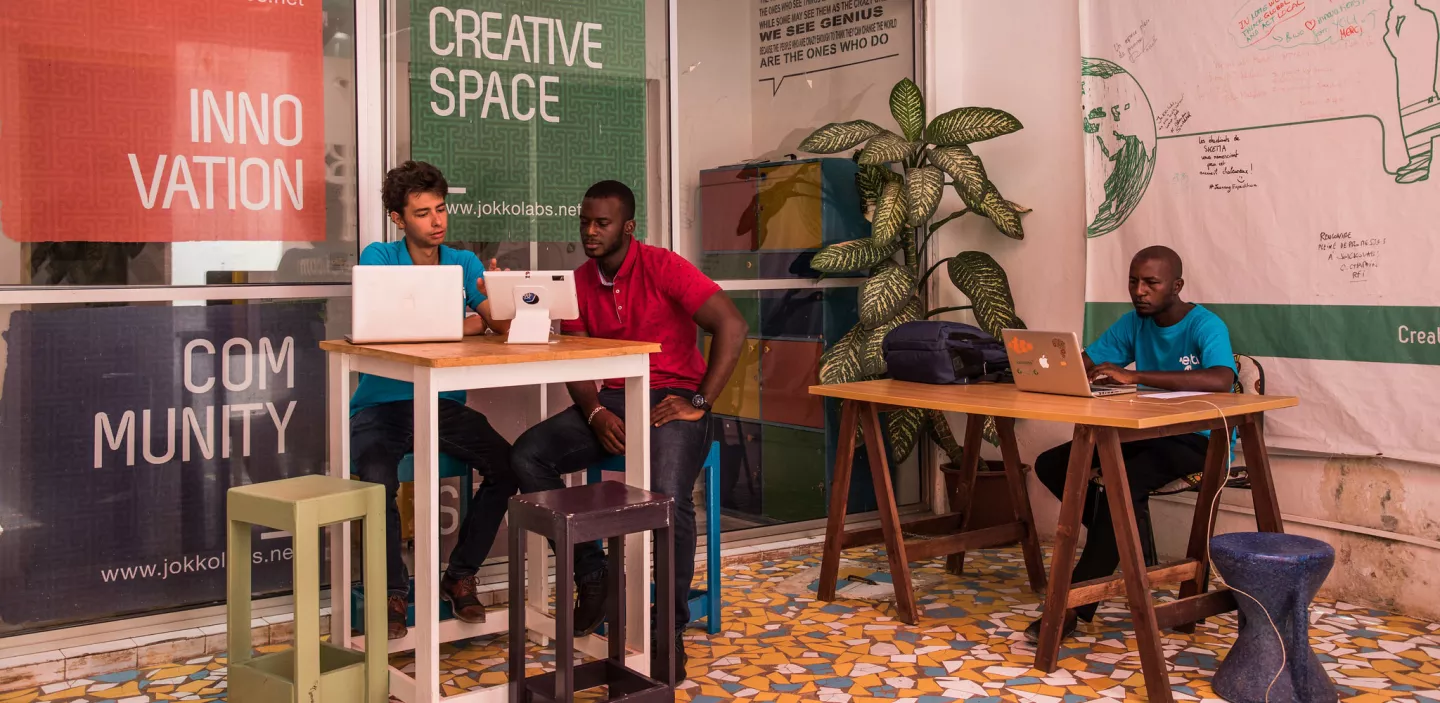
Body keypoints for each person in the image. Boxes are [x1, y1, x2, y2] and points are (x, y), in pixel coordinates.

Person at [510, 180, 747, 679]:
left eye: (602, 223)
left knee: (667, 495)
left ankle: (667, 630)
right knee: (528, 454)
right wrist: (595, 410)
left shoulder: (663, 266)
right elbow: (575, 360)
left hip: (670, 399)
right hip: (614, 401)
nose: (590, 232)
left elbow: (732, 324)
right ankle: (595, 574)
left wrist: (700, 402)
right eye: (585, 222)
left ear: (628, 227)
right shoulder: (577, 281)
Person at [1025, 245, 1236, 642]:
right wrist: (1051, 368)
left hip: (1198, 438)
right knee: (1053, 465)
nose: (1139, 291)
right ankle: (1126, 538)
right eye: (1133, 282)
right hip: (1145, 433)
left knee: (1116, 491)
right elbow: (1088, 361)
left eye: (1151, 283)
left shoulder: (1205, 325)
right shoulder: (1132, 323)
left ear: (1176, 285)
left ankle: (1071, 606)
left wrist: (1136, 377)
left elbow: (1221, 380)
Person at [350, 161, 517, 640]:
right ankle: (391, 591)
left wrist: (497, 299)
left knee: (509, 465)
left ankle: (460, 574)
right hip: (381, 403)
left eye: (440, 209)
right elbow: (382, 330)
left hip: (440, 402)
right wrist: (466, 321)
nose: (437, 221)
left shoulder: (465, 263)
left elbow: (498, 326)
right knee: (377, 480)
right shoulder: (379, 256)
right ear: (399, 219)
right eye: (422, 213)